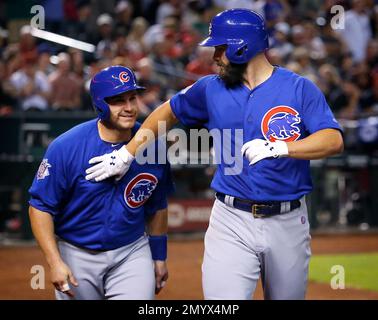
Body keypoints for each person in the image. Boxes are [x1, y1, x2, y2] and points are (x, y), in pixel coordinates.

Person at [85, 9, 344, 300]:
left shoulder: (298, 88)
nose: (214, 56)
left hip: (288, 221)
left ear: (240, 47)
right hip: (230, 219)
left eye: (220, 48)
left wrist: (282, 147)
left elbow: (332, 139)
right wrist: (127, 154)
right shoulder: (210, 88)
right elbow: (167, 112)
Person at [28, 65, 173, 300]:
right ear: (99, 105)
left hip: (131, 252)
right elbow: (40, 207)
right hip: (76, 253)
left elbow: (158, 205)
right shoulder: (66, 147)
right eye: (117, 101)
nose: (128, 108)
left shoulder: (153, 146)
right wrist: (54, 261)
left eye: (132, 98)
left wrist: (159, 256)